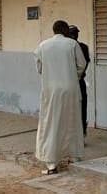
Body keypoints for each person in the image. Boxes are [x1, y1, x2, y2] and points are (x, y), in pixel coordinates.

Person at [34, 20, 87, 174]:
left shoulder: (43, 46)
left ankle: (51, 163)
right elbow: (81, 65)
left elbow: (39, 67)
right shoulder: (72, 44)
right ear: (65, 30)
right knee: (72, 121)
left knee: (51, 123)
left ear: (53, 30)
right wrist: (72, 77)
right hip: (70, 88)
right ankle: (74, 156)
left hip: (51, 90)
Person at [67, 25, 90, 137]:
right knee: (78, 107)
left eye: (75, 33)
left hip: (74, 81)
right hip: (76, 80)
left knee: (80, 107)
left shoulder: (81, 47)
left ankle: (81, 132)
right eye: (73, 33)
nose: (75, 35)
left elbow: (84, 65)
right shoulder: (77, 47)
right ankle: (80, 132)